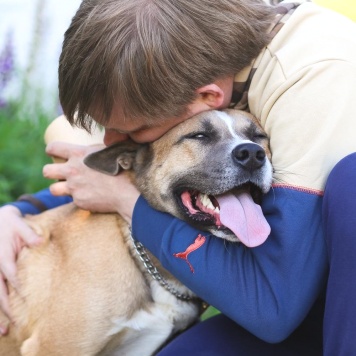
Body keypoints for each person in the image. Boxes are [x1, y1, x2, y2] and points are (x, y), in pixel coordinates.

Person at [1, 0, 356, 354]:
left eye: (135, 129)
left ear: (207, 97)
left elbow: (273, 308)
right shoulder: (206, 52)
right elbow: (146, 165)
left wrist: (127, 201)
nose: (111, 142)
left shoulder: (312, 79)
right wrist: (18, 211)